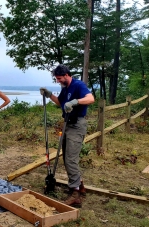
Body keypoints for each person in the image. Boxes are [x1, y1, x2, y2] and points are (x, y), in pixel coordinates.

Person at [40, 65, 95, 208]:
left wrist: (76, 101)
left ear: (66, 75)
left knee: (71, 159)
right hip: (68, 125)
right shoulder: (65, 88)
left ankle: (75, 194)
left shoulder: (78, 85)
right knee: (66, 157)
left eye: (59, 78)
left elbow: (90, 98)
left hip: (77, 125)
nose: (58, 81)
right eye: (56, 79)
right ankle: (80, 186)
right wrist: (49, 95)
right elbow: (60, 103)